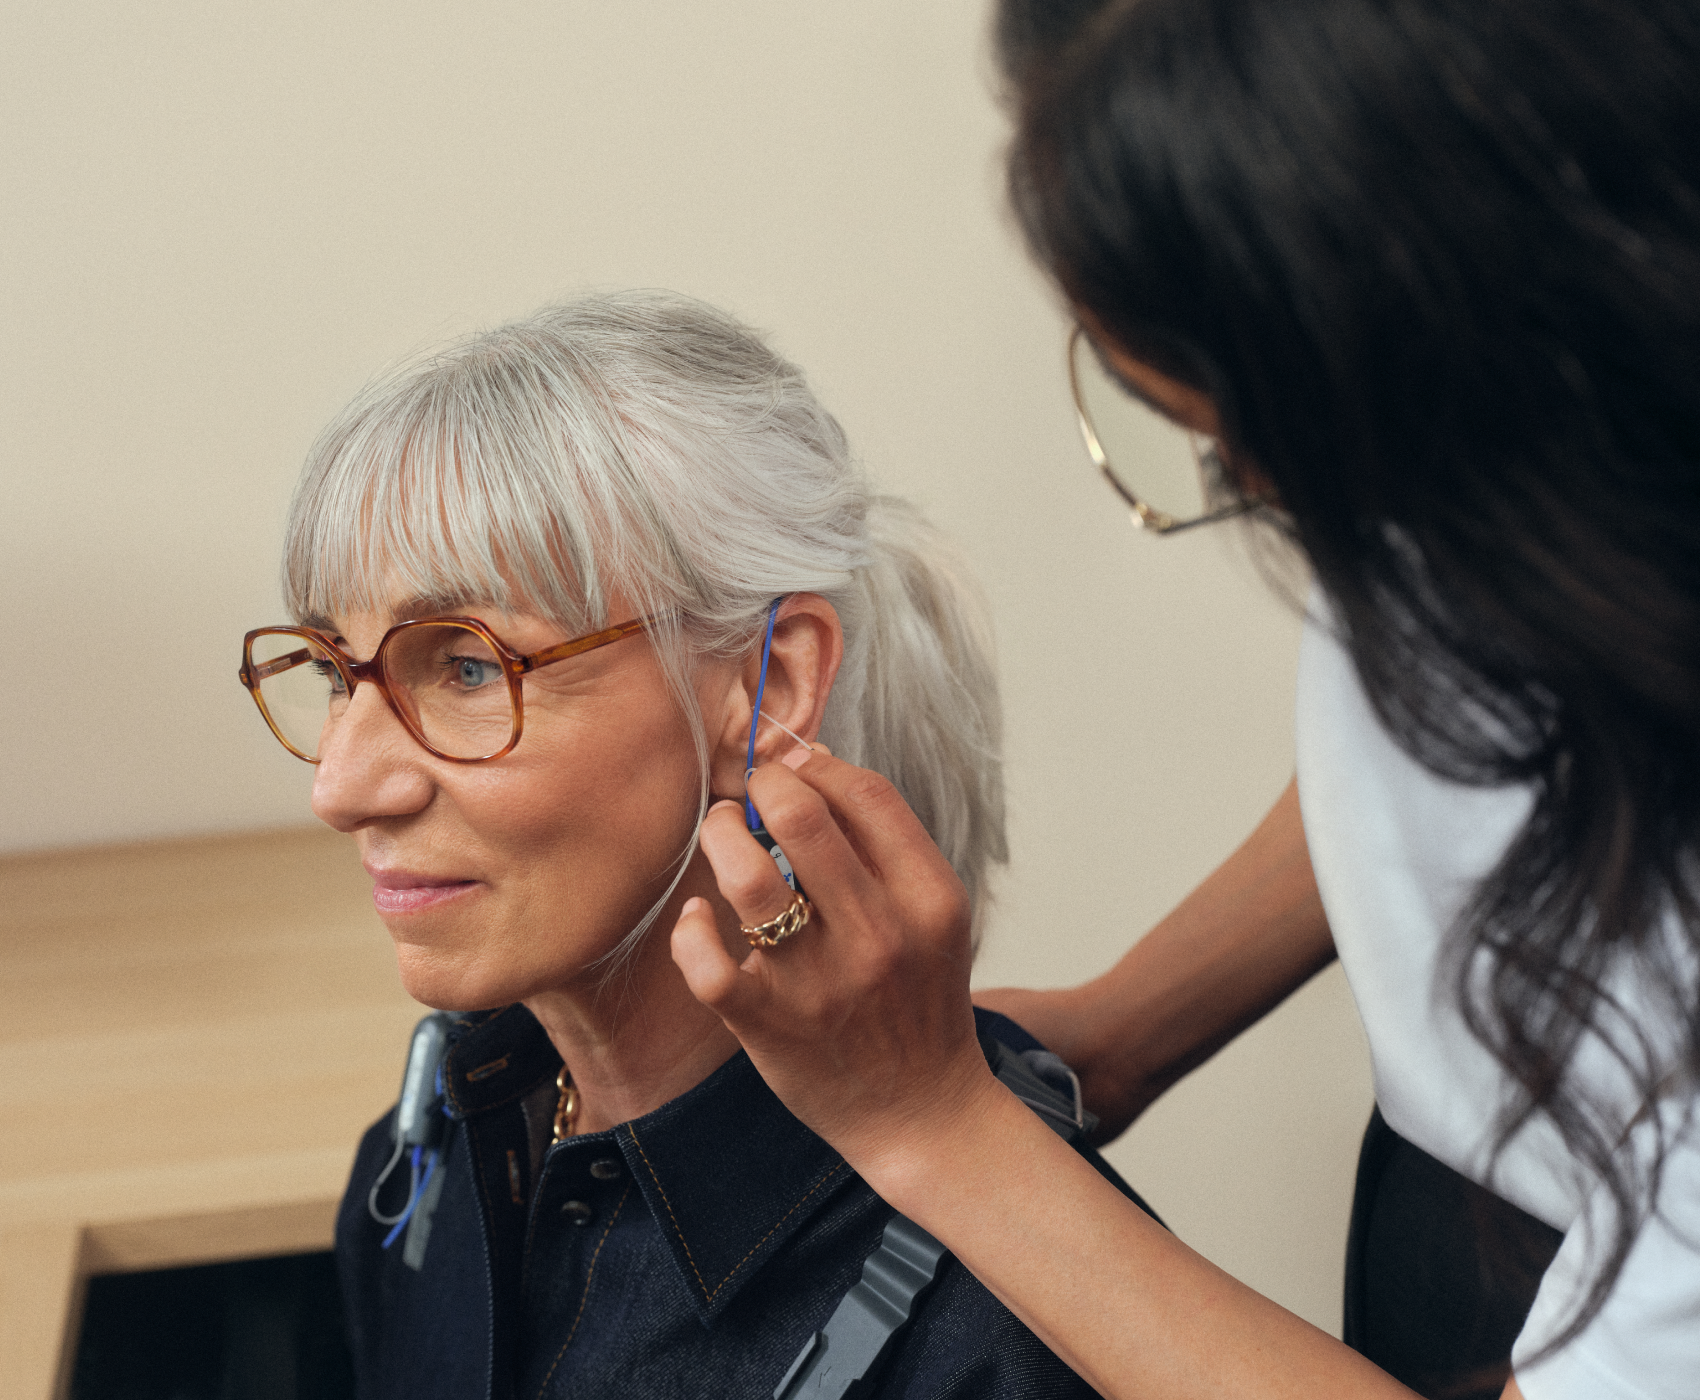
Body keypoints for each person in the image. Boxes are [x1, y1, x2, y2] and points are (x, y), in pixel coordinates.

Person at [669, 3, 1700, 1399]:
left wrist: (937, 1130)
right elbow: (1449, 759)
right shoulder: (1534, 464)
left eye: (1239, 439)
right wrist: (1122, 1030)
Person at [236, 290, 1136, 1398]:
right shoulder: (431, 1152)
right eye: (335, 671)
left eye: (468, 665)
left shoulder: (996, 1344)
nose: (339, 785)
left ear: (768, 685)